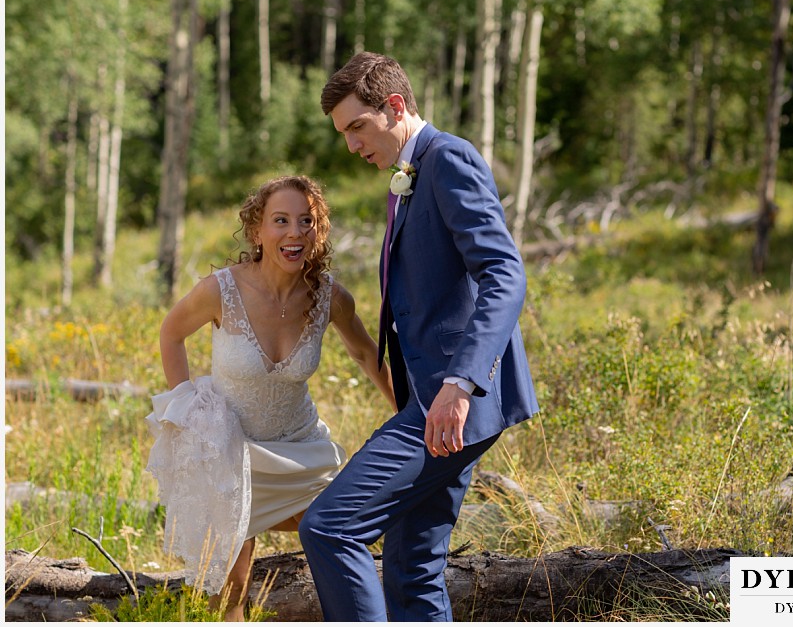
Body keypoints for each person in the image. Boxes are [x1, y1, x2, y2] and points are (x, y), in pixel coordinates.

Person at [298, 51, 539, 621]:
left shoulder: (448, 158)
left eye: (357, 127)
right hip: (431, 401)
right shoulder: (407, 176)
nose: (353, 146)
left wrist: (459, 384)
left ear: (395, 106)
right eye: (343, 134)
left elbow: (504, 272)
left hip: (454, 400)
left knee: (330, 528)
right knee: (412, 569)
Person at [146, 175, 395, 621]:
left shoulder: (329, 297)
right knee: (231, 589)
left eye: (307, 221)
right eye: (281, 220)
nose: (295, 232)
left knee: (342, 539)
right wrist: (186, 407)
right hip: (232, 452)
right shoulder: (220, 290)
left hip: (303, 454)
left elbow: (364, 353)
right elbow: (171, 333)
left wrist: (408, 414)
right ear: (258, 229)